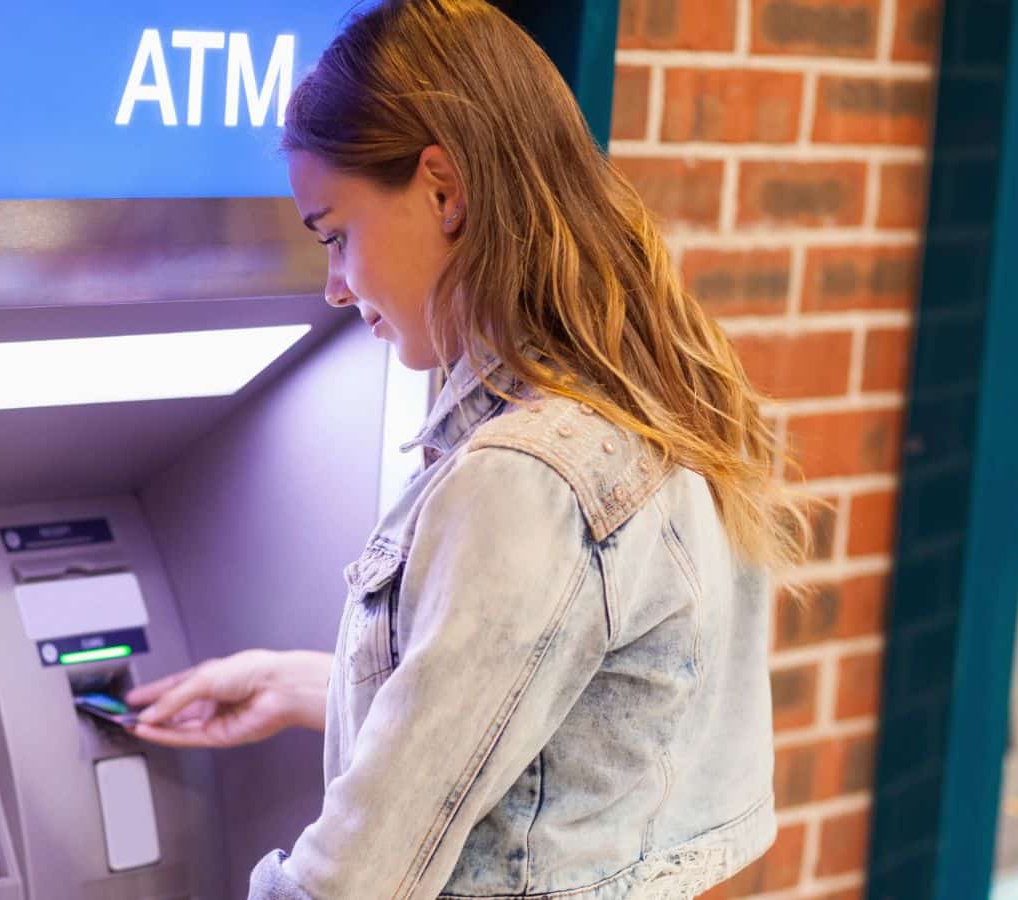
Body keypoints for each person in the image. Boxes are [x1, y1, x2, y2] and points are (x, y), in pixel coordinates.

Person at [126, 1, 813, 897]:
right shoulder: (667, 402)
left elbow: (353, 882)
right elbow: (568, 720)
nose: (334, 286)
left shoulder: (527, 475)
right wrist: (308, 686)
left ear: (444, 189)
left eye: (336, 235)